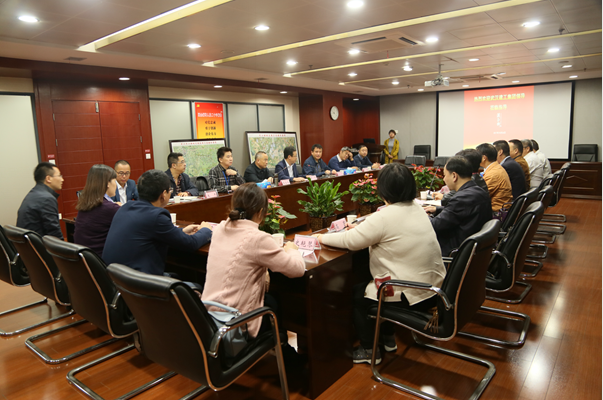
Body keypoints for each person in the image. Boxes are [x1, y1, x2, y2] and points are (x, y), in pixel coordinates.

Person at [313, 163, 445, 364]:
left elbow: (350, 241)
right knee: (377, 281)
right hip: (433, 289)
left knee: (358, 294)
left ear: (383, 190)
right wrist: (363, 229)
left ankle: (369, 350)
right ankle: (388, 338)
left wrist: (320, 238)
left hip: (410, 294)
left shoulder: (385, 216)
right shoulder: (417, 209)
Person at [202, 183, 305, 341]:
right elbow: (297, 269)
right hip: (236, 324)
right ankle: (284, 350)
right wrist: (292, 249)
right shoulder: (258, 238)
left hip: (207, 317)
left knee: (270, 299)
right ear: (261, 212)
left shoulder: (220, 229)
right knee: (276, 302)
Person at [103, 169, 212, 275]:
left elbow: (150, 232)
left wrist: (181, 231)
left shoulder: (125, 207)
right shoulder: (156, 216)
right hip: (140, 281)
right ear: (163, 194)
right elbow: (191, 244)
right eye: (170, 190)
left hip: (116, 278)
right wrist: (206, 230)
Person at [424, 157, 492, 257]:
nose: (444, 179)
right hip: (474, 251)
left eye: (445, 175)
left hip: (454, 252)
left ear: (454, 176)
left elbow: (434, 226)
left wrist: (424, 216)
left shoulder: (461, 198)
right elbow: (464, 211)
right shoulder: (478, 191)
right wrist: (437, 209)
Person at [74, 164, 121, 257]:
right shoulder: (110, 208)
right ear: (108, 183)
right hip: (102, 260)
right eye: (115, 181)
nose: (116, 185)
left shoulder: (85, 203)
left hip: (85, 258)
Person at [17, 162, 64, 240]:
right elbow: (54, 233)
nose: (62, 179)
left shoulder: (34, 193)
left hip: (28, 244)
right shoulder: (46, 198)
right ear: (48, 179)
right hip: (38, 245)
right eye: (59, 176)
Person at [476, 143, 513, 215]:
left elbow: (478, 196)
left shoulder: (493, 174)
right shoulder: (496, 168)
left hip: (495, 213)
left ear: (484, 158)